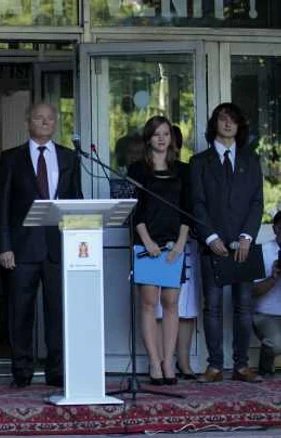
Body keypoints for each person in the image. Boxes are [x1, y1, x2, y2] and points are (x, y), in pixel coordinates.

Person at [0, 103, 82, 388]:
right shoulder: (11, 158)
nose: (46, 122)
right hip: (21, 249)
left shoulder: (69, 157)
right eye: (39, 118)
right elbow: (2, 207)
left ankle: (57, 371)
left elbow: (76, 202)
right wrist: (4, 246)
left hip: (58, 247)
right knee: (20, 312)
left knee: (57, 312)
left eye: (50, 118)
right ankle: (21, 371)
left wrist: (77, 241)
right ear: (27, 122)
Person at [190, 102, 263, 383]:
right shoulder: (200, 162)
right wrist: (210, 236)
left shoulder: (250, 160)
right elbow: (197, 203)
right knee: (213, 307)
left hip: (243, 246)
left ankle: (242, 366)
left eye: (233, 119)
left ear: (239, 125)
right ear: (215, 124)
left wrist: (247, 236)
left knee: (244, 307)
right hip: (213, 245)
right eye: (222, 119)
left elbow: (257, 201)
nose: (228, 123)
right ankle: (215, 366)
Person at [128, 116, 191, 386]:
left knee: (171, 304)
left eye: (166, 133)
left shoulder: (183, 171)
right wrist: (147, 240)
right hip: (147, 245)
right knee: (148, 303)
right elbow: (134, 209)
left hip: (174, 246)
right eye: (156, 134)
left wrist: (180, 244)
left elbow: (188, 210)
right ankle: (154, 362)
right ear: (148, 139)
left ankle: (168, 362)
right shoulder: (136, 170)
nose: (162, 138)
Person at [155, 125, 199, 380]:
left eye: (173, 142)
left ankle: (183, 361)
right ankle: (163, 361)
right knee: (163, 308)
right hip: (158, 246)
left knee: (187, 307)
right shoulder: (149, 171)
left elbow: (191, 205)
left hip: (186, 244)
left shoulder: (185, 171)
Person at [251, 211, 281, 376]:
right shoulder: (262, 251)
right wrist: (273, 278)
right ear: (275, 229)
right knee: (276, 343)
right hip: (265, 315)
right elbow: (252, 291)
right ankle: (265, 369)